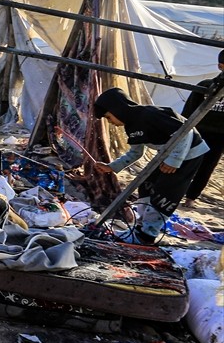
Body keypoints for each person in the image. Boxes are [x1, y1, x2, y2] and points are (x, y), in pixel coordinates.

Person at [91, 87, 209, 244]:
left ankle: (148, 236)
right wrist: (112, 166)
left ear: (118, 109)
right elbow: (135, 153)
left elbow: (185, 132)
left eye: (109, 117)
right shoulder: (131, 126)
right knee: (146, 186)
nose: (110, 122)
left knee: (164, 193)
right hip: (167, 154)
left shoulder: (150, 114)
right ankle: (141, 228)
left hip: (189, 154)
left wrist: (174, 160)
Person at [180, 48, 224, 204]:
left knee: (207, 167)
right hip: (199, 131)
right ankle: (176, 192)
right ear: (220, 66)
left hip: (220, 135)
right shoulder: (205, 85)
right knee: (185, 162)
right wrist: (183, 130)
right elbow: (188, 110)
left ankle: (191, 197)